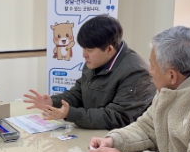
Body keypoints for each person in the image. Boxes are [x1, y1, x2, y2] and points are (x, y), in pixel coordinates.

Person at [24, 15, 155, 130]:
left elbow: (118, 117)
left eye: (90, 50)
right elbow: (78, 93)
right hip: (94, 134)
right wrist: (52, 102)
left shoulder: (136, 72)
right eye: (83, 48)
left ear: (109, 49)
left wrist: (70, 114)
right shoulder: (95, 61)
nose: (84, 54)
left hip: (117, 141)